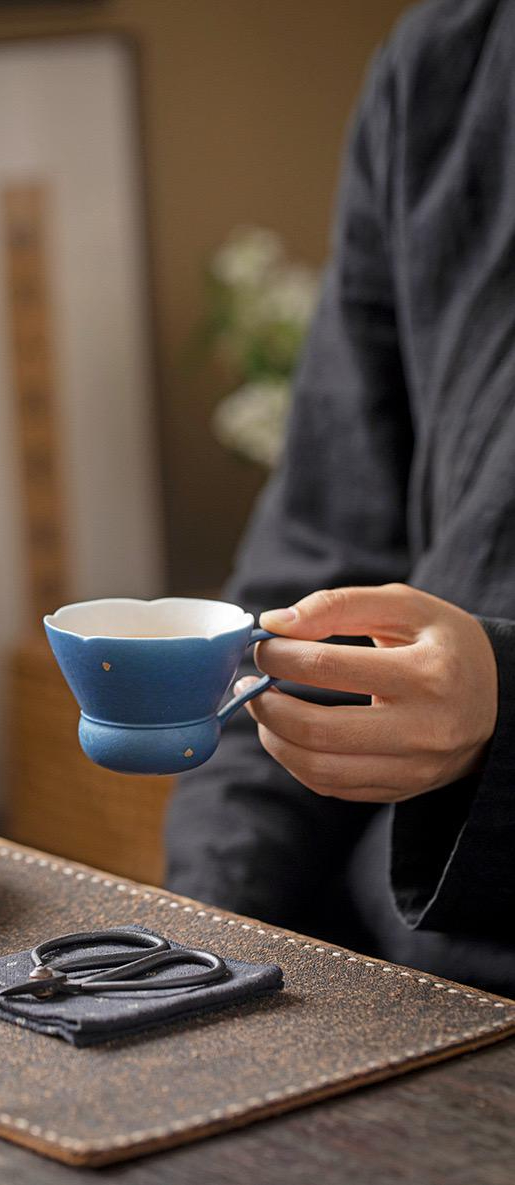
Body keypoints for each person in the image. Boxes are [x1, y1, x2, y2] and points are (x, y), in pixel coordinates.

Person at [165, 0, 515, 996]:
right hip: (366, 972)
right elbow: (303, 575)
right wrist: (203, 940)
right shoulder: (446, 64)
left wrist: (502, 713)